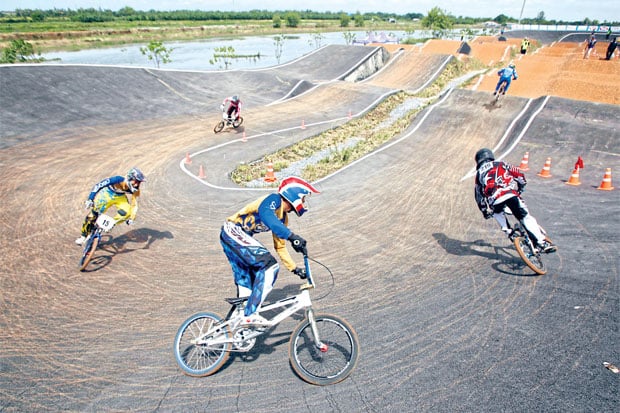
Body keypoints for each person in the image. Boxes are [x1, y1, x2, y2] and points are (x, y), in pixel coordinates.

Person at [219, 176, 320, 326]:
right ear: (294, 195)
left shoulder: (282, 218)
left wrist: (294, 268)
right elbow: (266, 215)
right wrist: (291, 236)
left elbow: (280, 246)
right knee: (269, 266)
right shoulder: (274, 200)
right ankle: (250, 314)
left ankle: (235, 328)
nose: (304, 202)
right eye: (303, 198)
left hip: (238, 238)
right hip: (233, 231)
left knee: (248, 288)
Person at [474, 148, 556, 253]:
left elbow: (478, 196)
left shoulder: (478, 174)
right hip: (510, 194)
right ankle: (542, 243)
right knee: (525, 217)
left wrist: (484, 211)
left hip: (494, 200)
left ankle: (509, 232)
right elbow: (518, 174)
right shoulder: (500, 163)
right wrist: (521, 186)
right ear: (490, 156)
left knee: (497, 213)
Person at [75, 167, 146, 245]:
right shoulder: (118, 179)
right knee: (93, 215)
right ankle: (83, 236)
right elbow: (99, 185)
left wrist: (132, 217)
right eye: (136, 181)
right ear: (129, 178)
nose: (137, 185)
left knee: (127, 213)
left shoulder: (136, 190)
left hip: (120, 197)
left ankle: (110, 224)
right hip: (107, 193)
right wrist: (90, 199)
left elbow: (134, 204)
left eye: (139, 183)